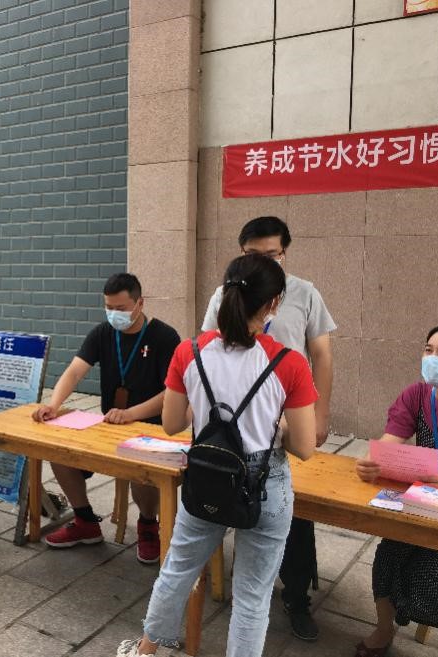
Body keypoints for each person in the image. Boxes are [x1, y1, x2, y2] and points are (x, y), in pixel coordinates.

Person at [117, 254, 317, 657]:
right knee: (252, 596)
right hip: (265, 484)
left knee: (177, 570)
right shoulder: (290, 363)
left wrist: (207, 405)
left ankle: (145, 651)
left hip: (206, 475)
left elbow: (171, 423)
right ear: (274, 303)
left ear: (225, 293)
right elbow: (305, 447)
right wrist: (276, 426)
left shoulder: (189, 352)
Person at [201, 215, 335, 641]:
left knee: (290, 507)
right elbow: (207, 347)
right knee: (225, 493)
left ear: (285, 253)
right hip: (236, 420)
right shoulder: (225, 293)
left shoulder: (304, 293)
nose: (262, 262)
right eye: (252, 255)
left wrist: (320, 414)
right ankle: (228, 579)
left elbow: (321, 354)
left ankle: (296, 595)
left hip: (289, 416)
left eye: (271, 255)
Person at [32, 273, 181, 563]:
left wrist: (131, 413)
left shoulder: (164, 337)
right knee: (58, 451)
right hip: (109, 425)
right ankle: (85, 520)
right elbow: (74, 371)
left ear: (140, 303)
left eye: (120, 308)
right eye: (108, 308)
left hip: (151, 429)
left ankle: (148, 525)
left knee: (142, 468)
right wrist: (54, 404)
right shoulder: (102, 333)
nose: (114, 314)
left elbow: (172, 393)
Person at [354, 323, 438, 656]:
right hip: (424, 505)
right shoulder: (417, 396)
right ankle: (384, 630)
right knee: (387, 555)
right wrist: (372, 461)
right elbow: (389, 443)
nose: (433, 358)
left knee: (430, 573)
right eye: (428, 350)